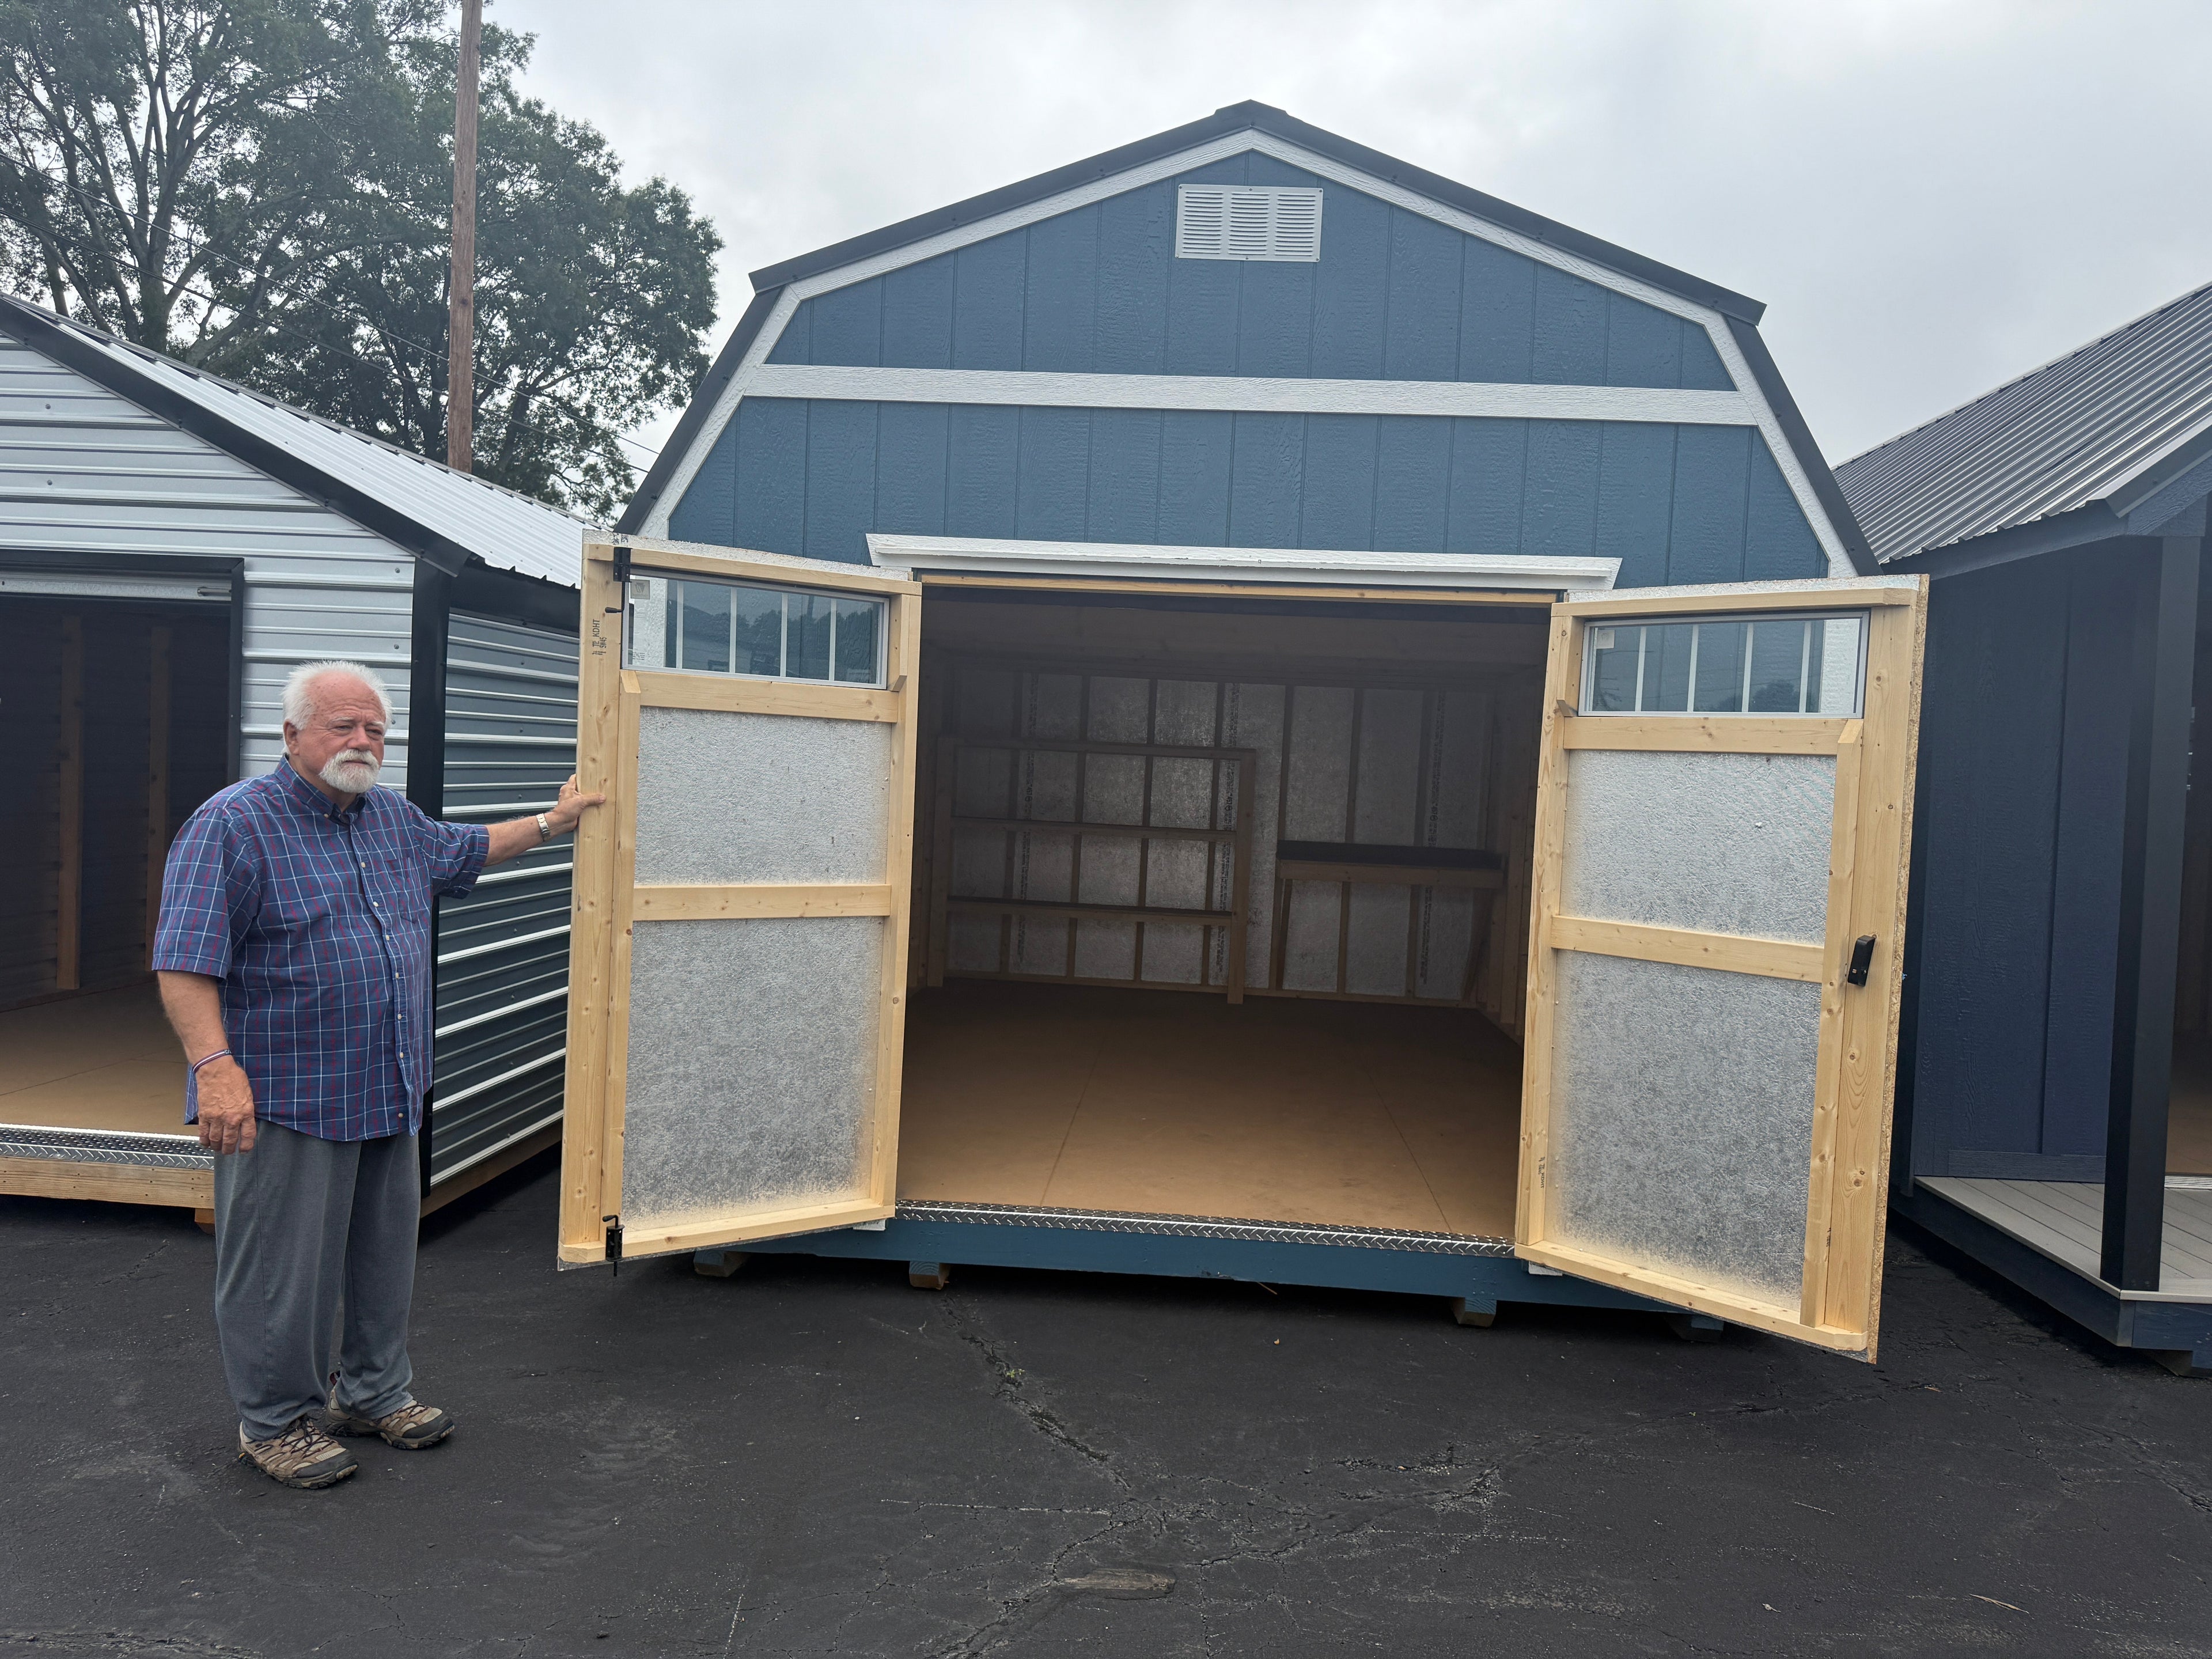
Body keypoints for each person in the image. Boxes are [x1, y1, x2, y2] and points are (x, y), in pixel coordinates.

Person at [153, 658, 604, 1490]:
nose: (362, 741)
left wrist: (556, 819)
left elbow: (470, 849)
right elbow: (184, 963)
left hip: (386, 1086)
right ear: (292, 736)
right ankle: (275, 1422)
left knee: (382, 1257)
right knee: (277, 1271)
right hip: (286, 1095)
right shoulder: (233, 827)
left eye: (374, 730)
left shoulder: (390, 819)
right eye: (341, 726)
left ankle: (369, 1393)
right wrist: (215, 1069)